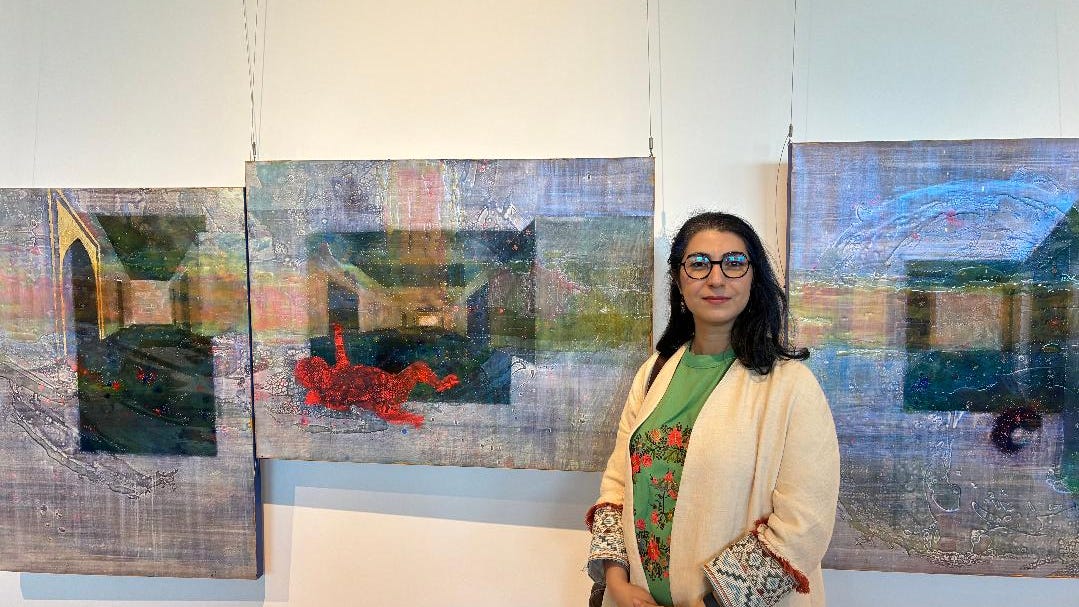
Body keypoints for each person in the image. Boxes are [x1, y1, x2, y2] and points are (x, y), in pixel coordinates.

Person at [585, 212, 840, 607]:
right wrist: (617, 582)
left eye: (734, 263)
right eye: (699, 263)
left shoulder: (791, 387)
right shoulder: (653, 373)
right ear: (678, 278)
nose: (716, 278)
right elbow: (617, 483)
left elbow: (803, 525)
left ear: (753, 278)